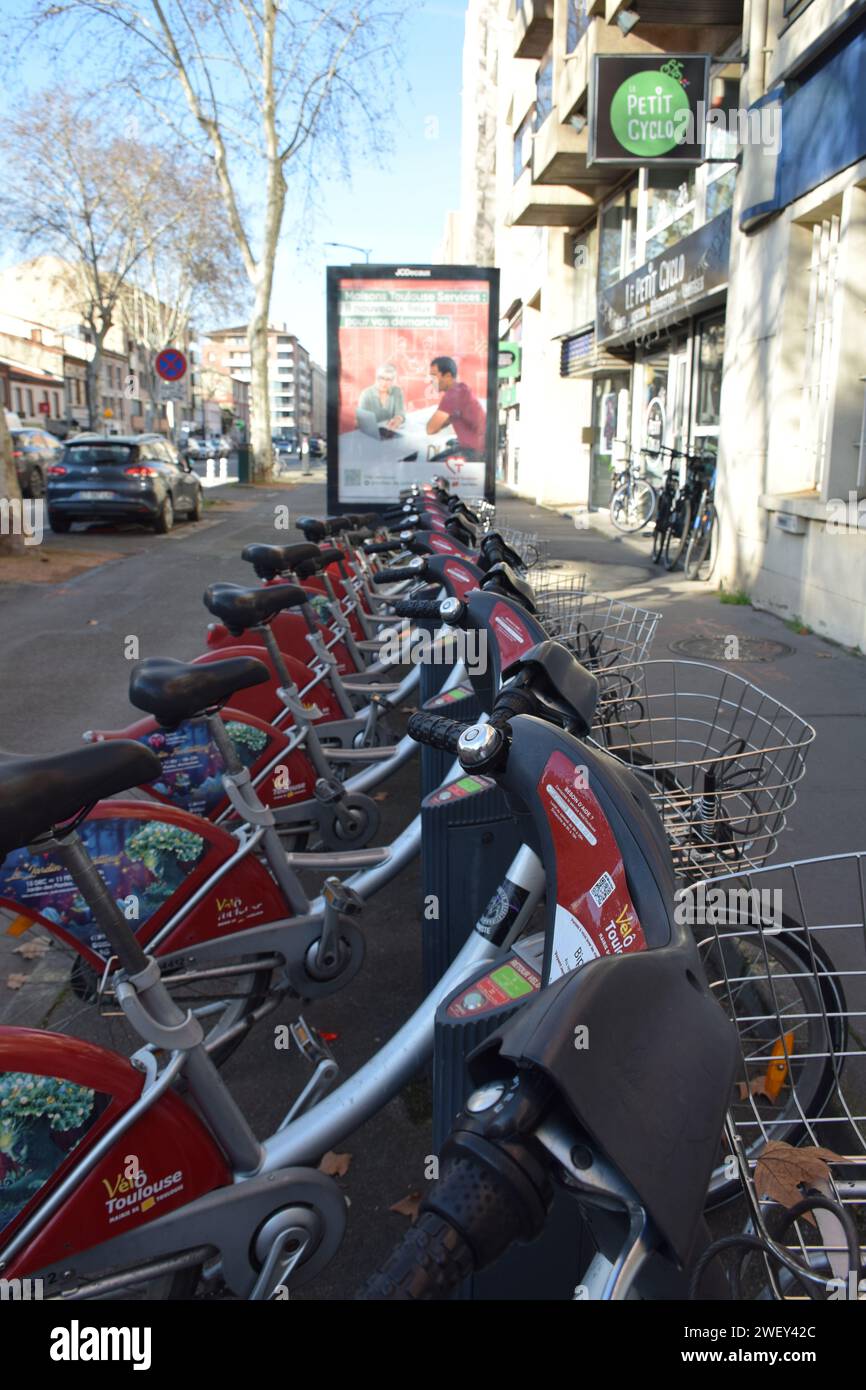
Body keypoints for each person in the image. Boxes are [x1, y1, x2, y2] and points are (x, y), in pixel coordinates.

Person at [426, 356, 486, 460]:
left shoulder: (452, 395)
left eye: (434, 376)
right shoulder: (461, 389)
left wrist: (444, 420)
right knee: (435, 460)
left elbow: (430, 429)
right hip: (477, 447)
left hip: (474, 451)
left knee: (433, 465)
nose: (431, 381)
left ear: (448, 376)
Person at [357, 365, 405, 431]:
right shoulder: (366, 394)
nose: (384, 383)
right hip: (371, 432)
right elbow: (362, 421)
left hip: (389, 431)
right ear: (376, 378)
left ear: (393, 381)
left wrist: (397, 419)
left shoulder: (397, 391)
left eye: (388, 379)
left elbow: (400, 412)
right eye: (381, 378)